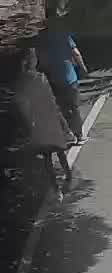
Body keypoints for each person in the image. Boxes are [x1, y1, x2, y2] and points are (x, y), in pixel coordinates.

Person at [12, 51, 76, 188]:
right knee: (60, 151)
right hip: (50, 118)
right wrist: (64, 125)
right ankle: (68, 176)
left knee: (47, 157)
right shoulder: (40, 78)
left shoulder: (21, 82)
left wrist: (29, 123)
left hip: (37, 122)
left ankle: (55, 188)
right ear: (33, 61)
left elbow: (22, 105)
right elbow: (52, 102)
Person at [34, 25, 86, 141]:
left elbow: (39, 60)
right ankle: (79, 135)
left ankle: (68, 133)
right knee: (73, 107)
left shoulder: (40, 38)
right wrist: (83, 68)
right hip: (69, 78)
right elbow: (76, 53)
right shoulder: (63, 34)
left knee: (61, 108)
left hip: (53, 79)